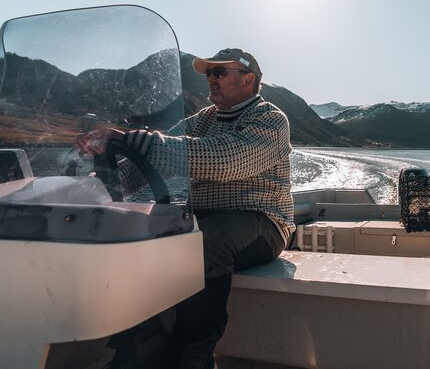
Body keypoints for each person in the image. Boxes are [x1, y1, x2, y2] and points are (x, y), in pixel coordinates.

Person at [77, 48, 294, 369]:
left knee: (204, 241)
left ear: (248, 80)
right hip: (204, 220)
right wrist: (88, 187)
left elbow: (226, 160)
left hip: (263, 222)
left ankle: (197, 348)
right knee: (143, 231)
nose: (211, 79)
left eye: (220, 73)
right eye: (208, 74)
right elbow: (149, 157)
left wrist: (138, 140)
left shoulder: (270, 119)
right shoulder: (201, 120)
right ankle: (140, 343)